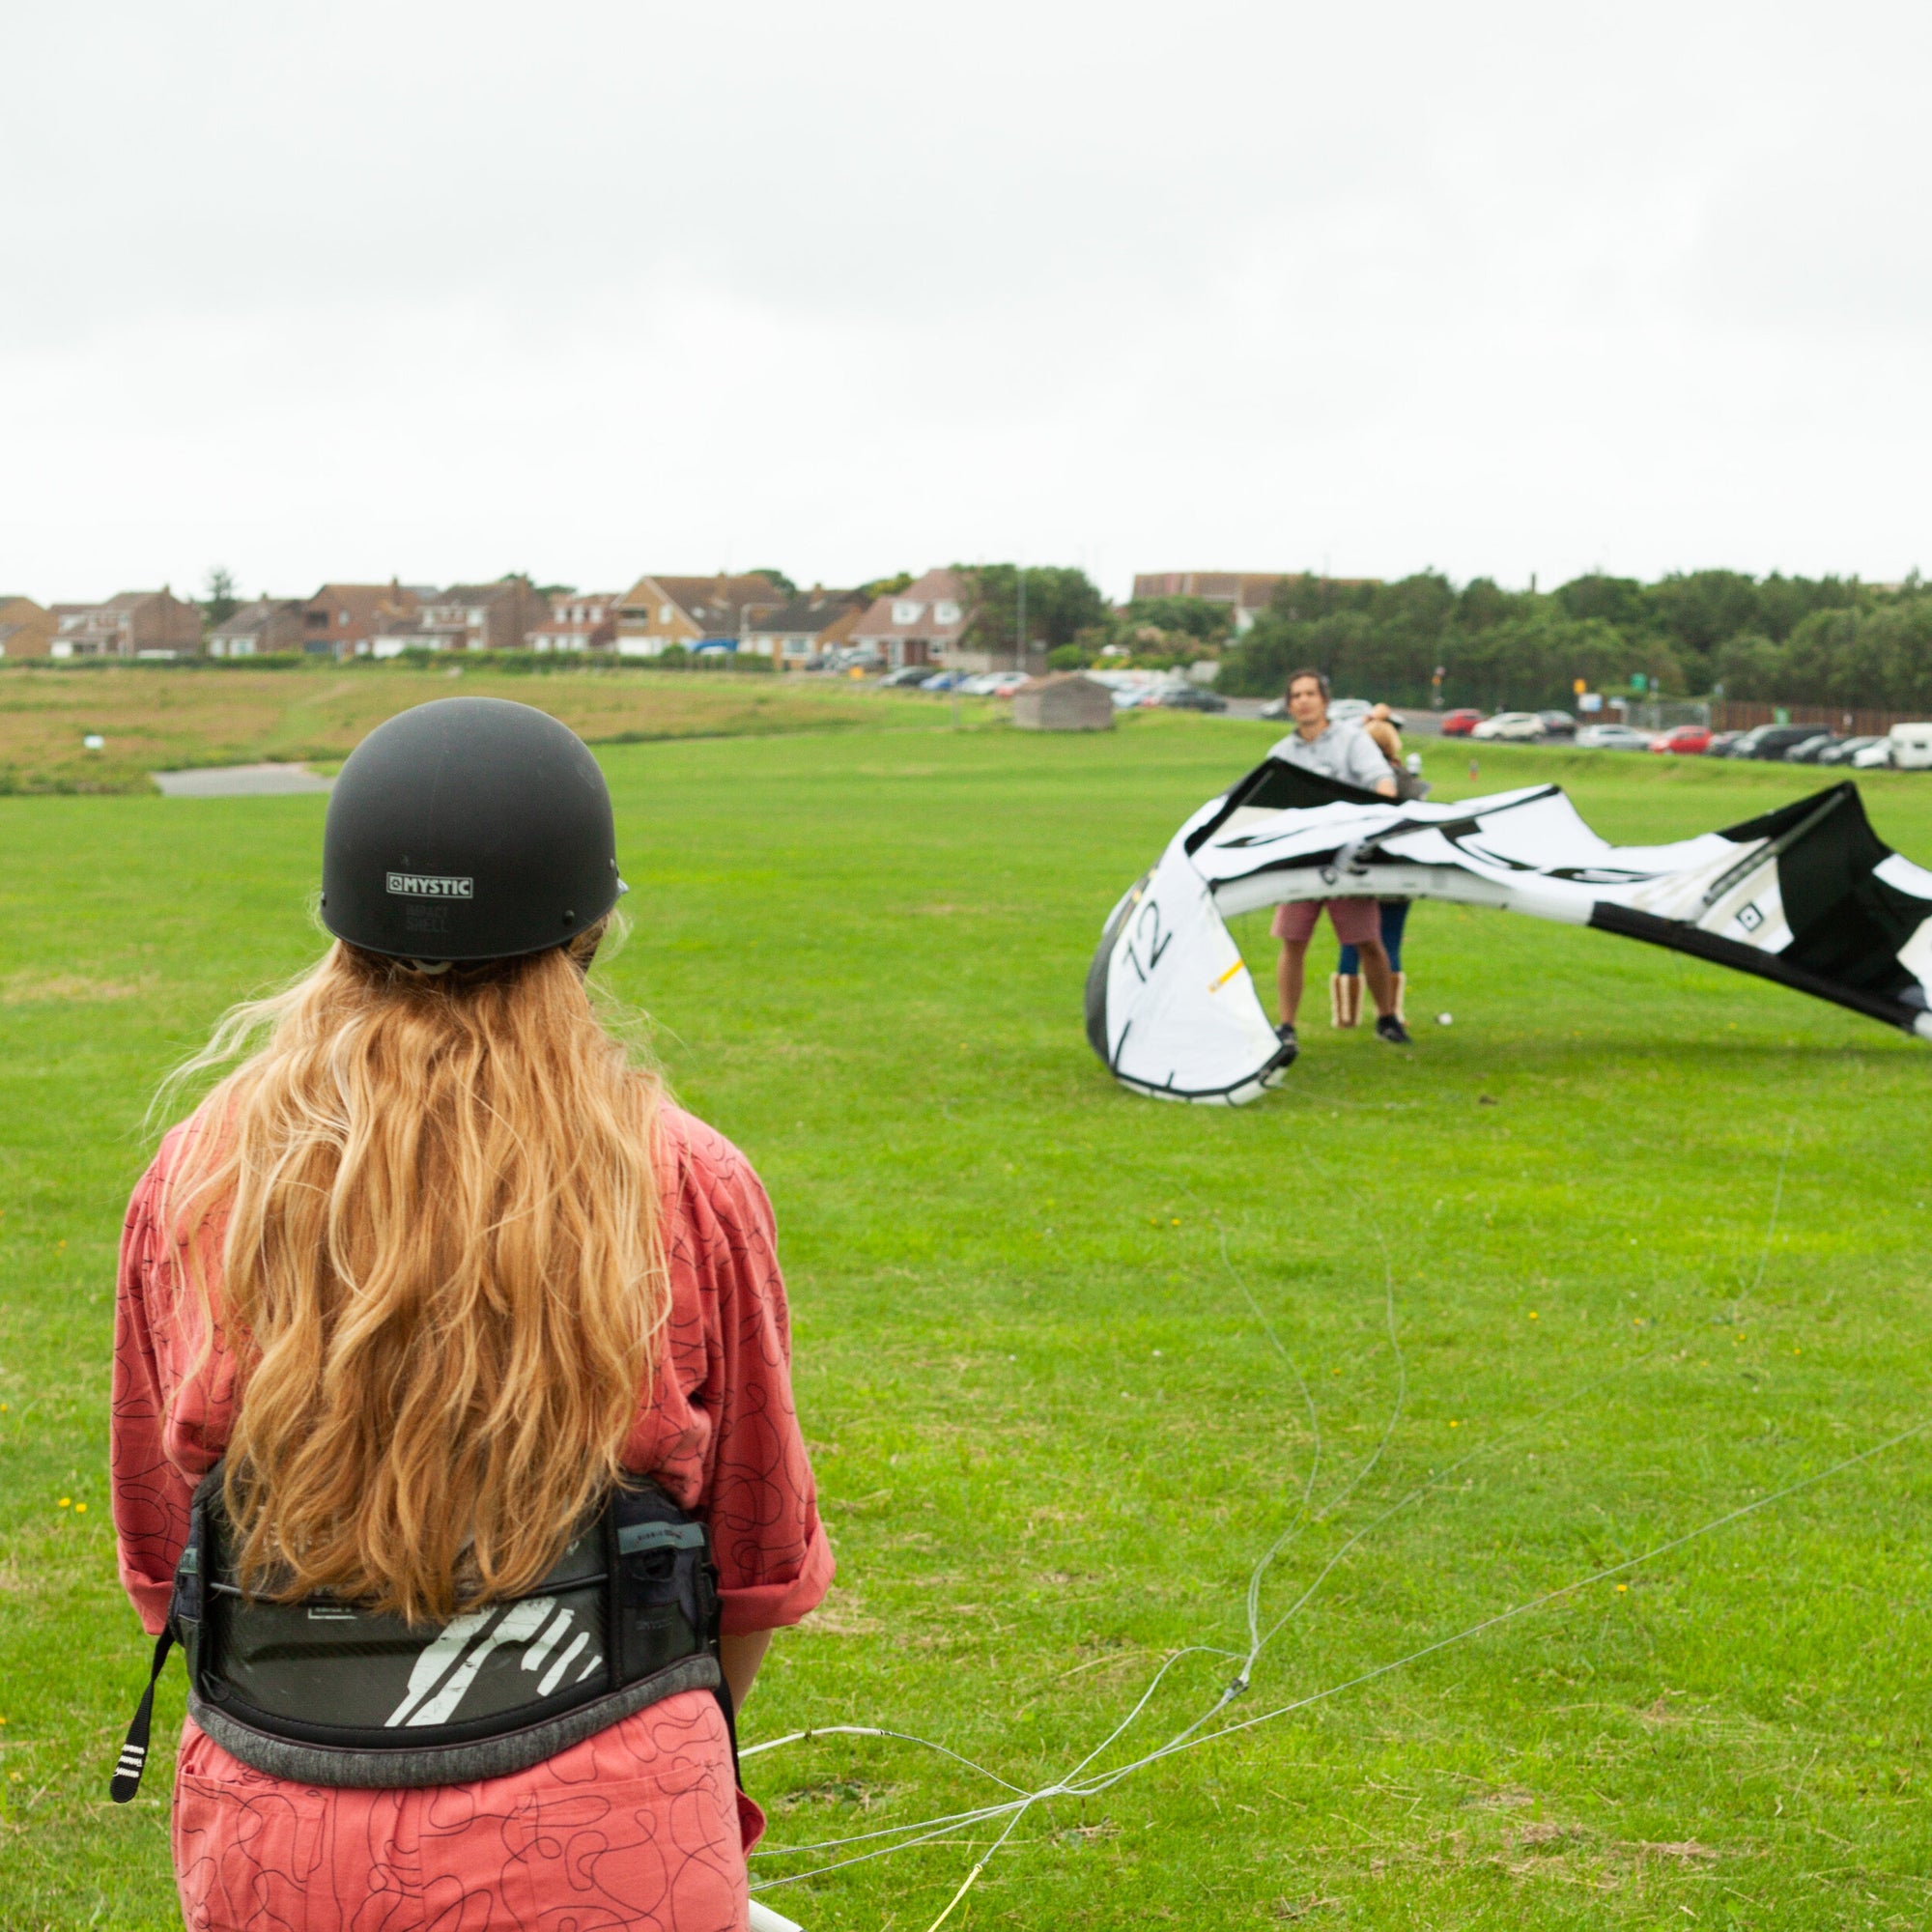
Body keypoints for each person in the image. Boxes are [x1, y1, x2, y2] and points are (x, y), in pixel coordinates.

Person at [111, 697, 832, 1931]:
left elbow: (159, 1548)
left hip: (274, 1832)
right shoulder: (684, 1175)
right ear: (591, 926)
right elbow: (757, 1558)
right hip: (616, 1825)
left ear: (339, 919)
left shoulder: (196, 1174)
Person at [1265, 668, 1410, 1046]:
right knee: (1292, 941)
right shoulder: (1281, 754)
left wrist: (1381, 813)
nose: (1303, 701)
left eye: (1310, 693)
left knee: (1367, 940)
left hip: (1348, 859)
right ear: (1289, 705)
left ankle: (1387, 1018)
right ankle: (1286, 1028)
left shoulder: (1351, 741)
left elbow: (1383, 779)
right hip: (1301, 861)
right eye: (1295, 695)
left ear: (1325, 701)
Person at [1332, 703, 1418, 1028]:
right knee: (1390, 941)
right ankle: (1390, 1013)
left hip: (1357, 874)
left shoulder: (1351, 781)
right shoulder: (1407, 782)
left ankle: (1345, 1015)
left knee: (1353, 942)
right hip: (1397, 875)